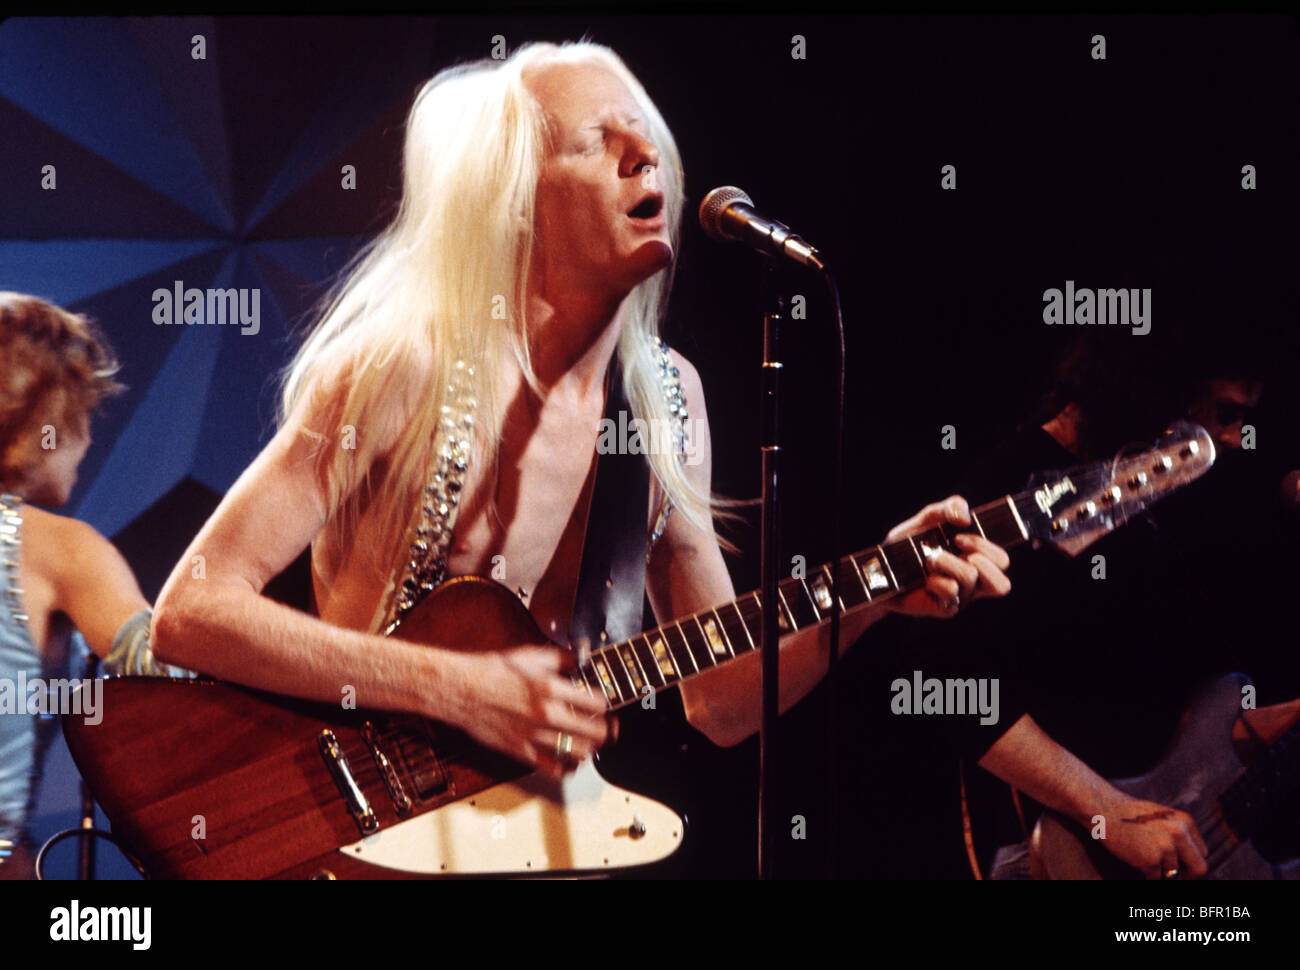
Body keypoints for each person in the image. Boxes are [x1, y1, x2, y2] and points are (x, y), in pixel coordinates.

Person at [150, 42, 1010, 837]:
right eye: (594, 143)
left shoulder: (668, 400)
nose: (641, 157)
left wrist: (870, 597)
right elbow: (192, 611)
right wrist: (459, 688)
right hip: (349, 829)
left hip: (519, 840)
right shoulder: (404, 365)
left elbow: (720, 700)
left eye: (645, 138)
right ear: (514, 198)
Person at [0, 292, 183, 880]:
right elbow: (175, 687)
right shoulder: (64, 550)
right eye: (85, 414)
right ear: (48, 419)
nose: (88, 441)